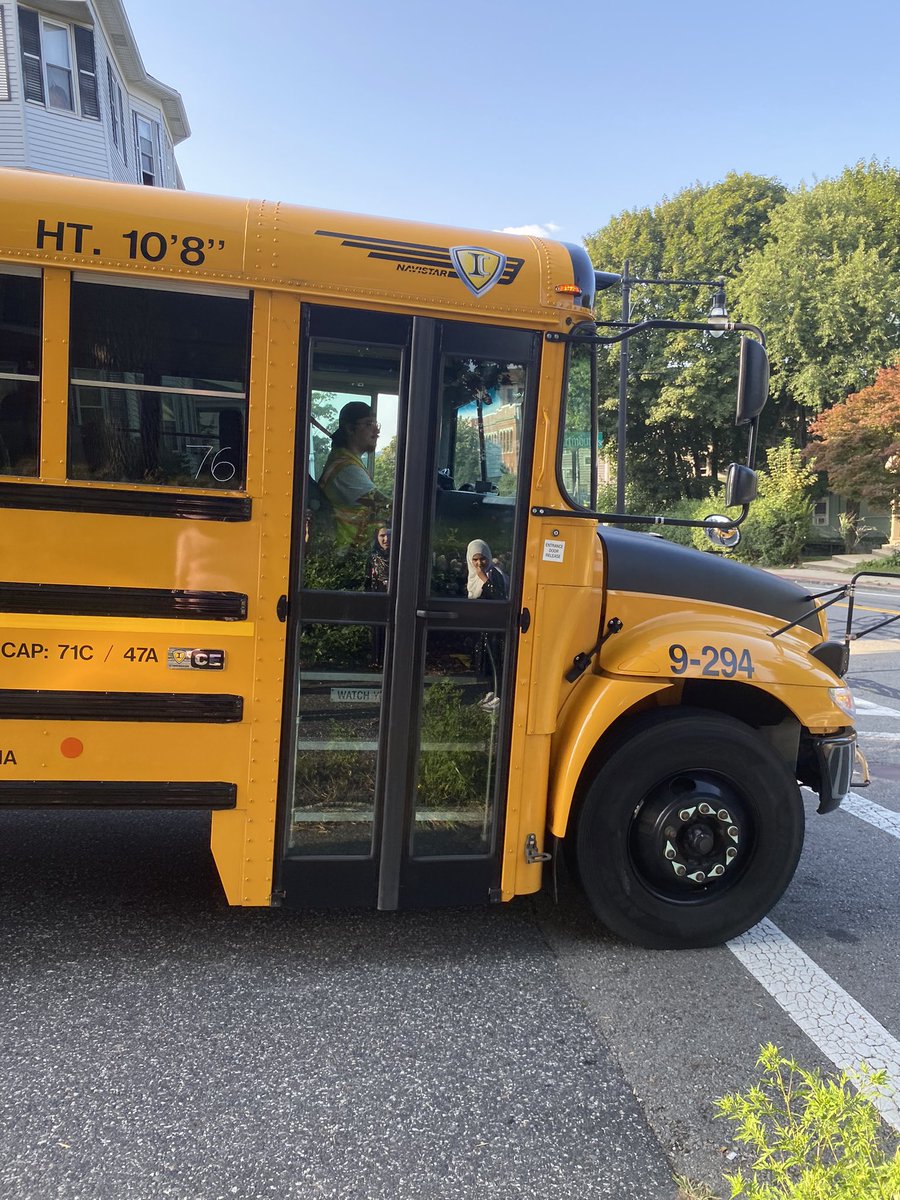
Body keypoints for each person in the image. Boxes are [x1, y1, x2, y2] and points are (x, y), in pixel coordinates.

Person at [317, 402, 390, 549]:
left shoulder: (350, 461)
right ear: (351, 429)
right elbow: (385, 507)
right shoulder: (346, 469)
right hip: (346, 555)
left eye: (376, 424)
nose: (376, 431)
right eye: (369, 424)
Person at [466, 539, 506, 709]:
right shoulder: (471, 575)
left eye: (482, 559)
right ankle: (489, 691)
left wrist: (484, 578)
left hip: (493, 628)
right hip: (480, 627)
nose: (478, 563)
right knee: (484, 660)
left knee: (493, 659)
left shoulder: (493, 574)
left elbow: (498, 597)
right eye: (475, 559)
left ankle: (498, 694)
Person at [364, 526, 390, 667]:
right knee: (377, 630)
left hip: (394, 597)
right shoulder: (372, 557)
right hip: (377, 595)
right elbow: (367, 580)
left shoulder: (398, 556)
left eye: (389, 535)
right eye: (382, 535)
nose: (386, 539)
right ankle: (376, 660)